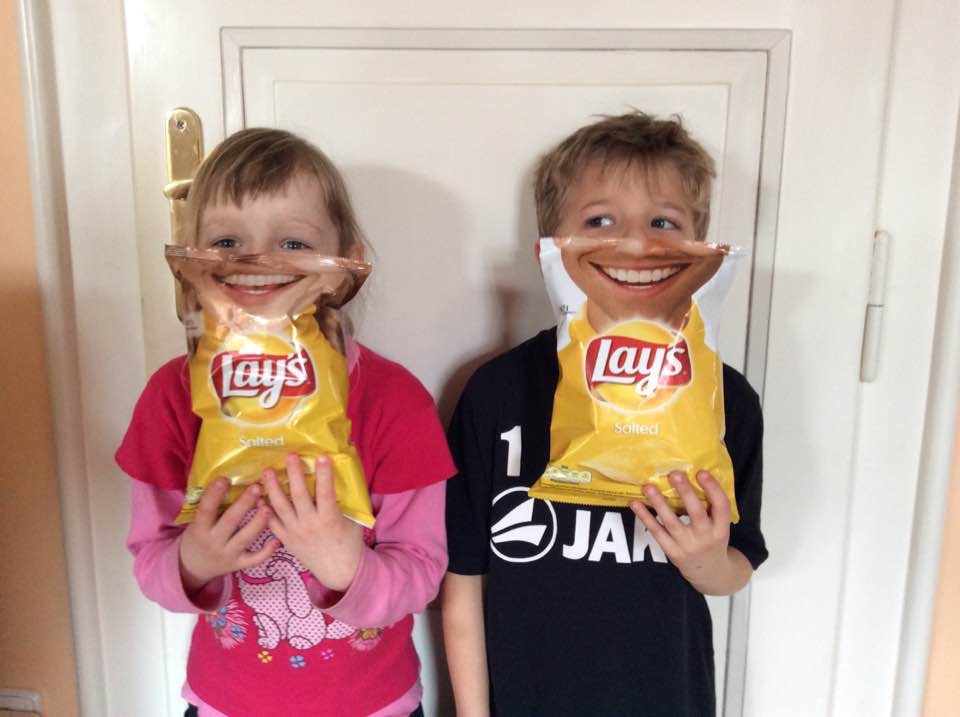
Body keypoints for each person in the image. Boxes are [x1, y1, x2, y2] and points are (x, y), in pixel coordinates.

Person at [116, 128, 454, 717]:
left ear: (347, 264)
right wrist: (193, 562)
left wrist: (347, 567)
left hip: (376, 706)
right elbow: (151, 561)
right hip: (224, 703)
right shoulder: (172, 397)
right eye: (226, 240)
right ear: (191, 262)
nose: (257, 261)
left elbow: (422, 572)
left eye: (293, 242)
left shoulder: (394, 401)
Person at [441, 112, 768, 717]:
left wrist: (707, 563)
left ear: (699, 247)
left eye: (663, 222)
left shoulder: (727, 402)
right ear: (551, 247)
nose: (636, 244)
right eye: (600, 221)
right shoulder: (498, 392)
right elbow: (461, 578)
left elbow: (737, 567)